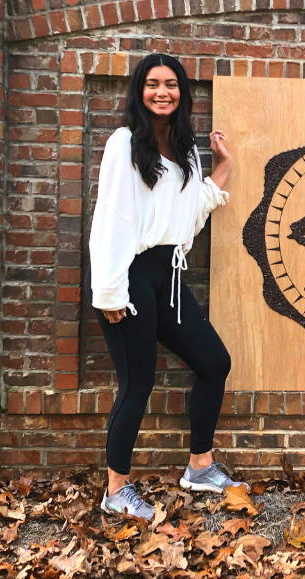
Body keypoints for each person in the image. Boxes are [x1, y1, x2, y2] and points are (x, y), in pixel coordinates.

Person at [89, 52, 244, 521]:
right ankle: (116, 489)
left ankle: (199, 466)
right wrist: (111, 292)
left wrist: (224, 164)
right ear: (140, 91)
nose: (163, 92)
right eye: (153, 83)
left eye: (171, 84)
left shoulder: (186, 149)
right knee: (137, 383)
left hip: (169, 275)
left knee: (214, 362)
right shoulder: (123, 144)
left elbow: (191, 211)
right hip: (131, 275)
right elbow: (111, 218)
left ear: (182, 93)